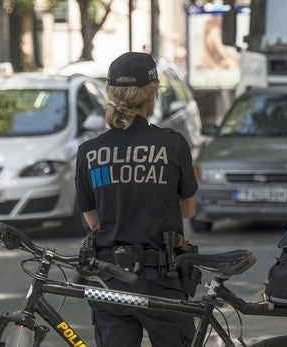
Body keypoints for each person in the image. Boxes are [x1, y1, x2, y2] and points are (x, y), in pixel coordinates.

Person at [74, 52, 198, 347]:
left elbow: (92, 219)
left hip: (109, 280)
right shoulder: (172, 144)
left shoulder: (89, 152)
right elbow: (189, 209)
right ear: (150, 95)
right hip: (162, 278)